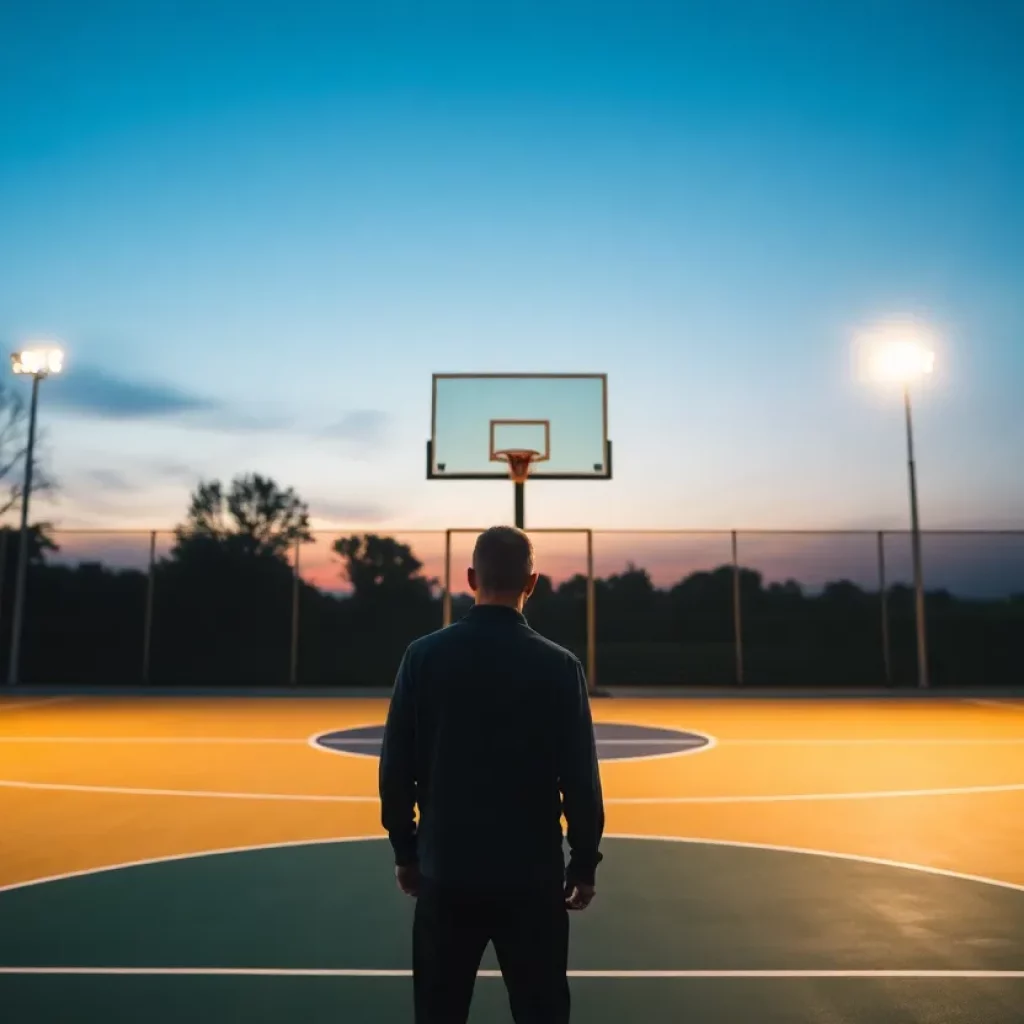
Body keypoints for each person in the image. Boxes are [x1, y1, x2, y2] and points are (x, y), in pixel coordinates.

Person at [380, 525, 605, 1024]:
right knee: (541, 1011)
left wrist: (405, 850)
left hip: (447, 871)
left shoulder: (422, 657)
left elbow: (396, 767)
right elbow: (580, 780)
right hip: (531, 876)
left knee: (439, 1012)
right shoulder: (559, 666)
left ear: (468, 578)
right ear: (533, 582)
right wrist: (584, 862)